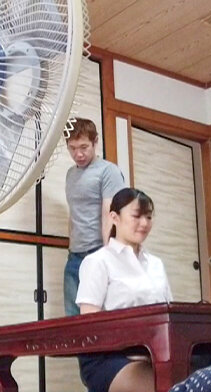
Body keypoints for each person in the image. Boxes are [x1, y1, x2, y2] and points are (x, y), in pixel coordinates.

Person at [75, 188, 170, 392]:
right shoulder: (97, 261)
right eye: (136, 216)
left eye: (149, 217)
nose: (144, 223)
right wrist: (134, 352)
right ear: (114, 217)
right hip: (108, 359)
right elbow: (89, 324)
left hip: (154, 356)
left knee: (196, 388)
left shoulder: (156, 264)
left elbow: (168, 315)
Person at [63, 118, 125, 317]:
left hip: (98, 251)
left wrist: (109, 255)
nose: (78, 154)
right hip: (74, 255)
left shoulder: (108, 171)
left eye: (84, 147)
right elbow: (73, 212)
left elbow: (110, 215)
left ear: (95, 141)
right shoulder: (70, 174)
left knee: (99, 316)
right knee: (73, 316)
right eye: (72, 148)